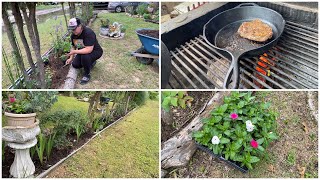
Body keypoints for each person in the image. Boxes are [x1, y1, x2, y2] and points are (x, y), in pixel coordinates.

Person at [66, 18, 103, 85]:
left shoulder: (88, 33)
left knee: (85, 57)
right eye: (71, 29)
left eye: (74, 29)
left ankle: (87, 74)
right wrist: (71, 58)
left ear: (80, 26)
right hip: (83, 51)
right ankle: (91, 63)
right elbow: (73, 46)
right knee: (75, 65)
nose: (73, 31)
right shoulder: (73, 36)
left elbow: (89, 49)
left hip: (95, 51)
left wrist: (74, 52)